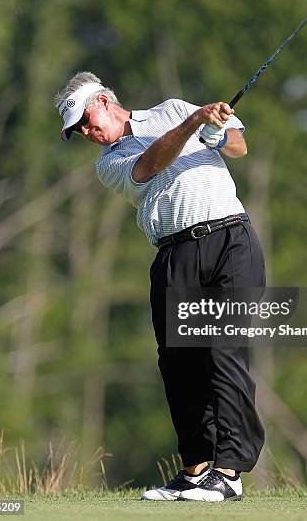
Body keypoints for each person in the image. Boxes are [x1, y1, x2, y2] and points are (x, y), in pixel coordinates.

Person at [55, 71, 266, 502]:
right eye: (78, 131)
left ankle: (228, 472)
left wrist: (214, 132)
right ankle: (196, 470)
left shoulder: (171, 109)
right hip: (175, 254)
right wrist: (195, 124)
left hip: (230, 239)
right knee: (179, 364)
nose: (86, 133)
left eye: (85, 121)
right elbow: (149, 165)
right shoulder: (109, 163)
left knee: (223, 352)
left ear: (104, 101)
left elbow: (239, 147)